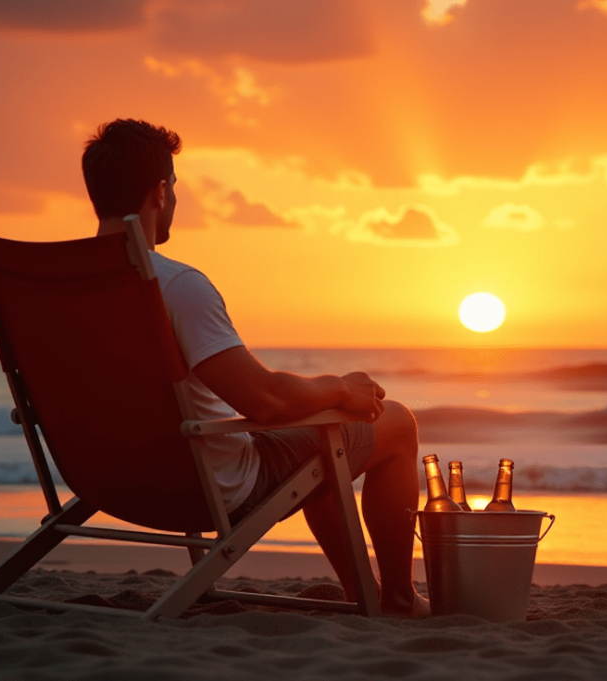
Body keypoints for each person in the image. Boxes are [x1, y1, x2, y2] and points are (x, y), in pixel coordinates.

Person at [81, 119, 427, 617]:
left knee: (322, 440)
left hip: (108, 479)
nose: (175, 198)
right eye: (174, 186)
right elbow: (264, 401)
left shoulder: (57, 289)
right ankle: (395, 595)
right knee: (393, 422)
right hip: (205, 484)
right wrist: (338, 388)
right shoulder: (175, 286)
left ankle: (363, 592)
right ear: (159, 191)